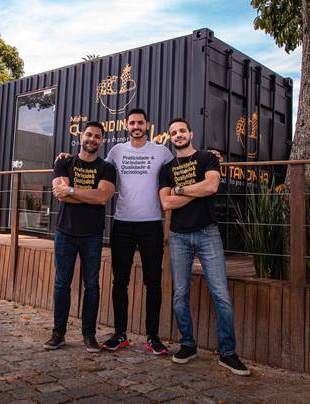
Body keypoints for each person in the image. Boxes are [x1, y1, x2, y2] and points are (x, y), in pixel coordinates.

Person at [158, 118, 250, 376]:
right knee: (180, 294)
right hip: (178, 236)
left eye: (182, 130)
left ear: (191, 133)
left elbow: (211, 186)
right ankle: (187, 345)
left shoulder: (207, 158)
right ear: (170, 138)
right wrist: (193, 192)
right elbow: (166, 204)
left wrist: (179, 190)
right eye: (173, 132)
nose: (178, 135)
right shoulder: (166, 168)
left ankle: (228, 353)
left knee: (220, 293)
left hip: (208, 233)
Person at [101, 108, 173, 355]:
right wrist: (68, 160)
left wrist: (209, 157)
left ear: (147, 125)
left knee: (153, 282)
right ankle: (120, 334)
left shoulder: (162, 152)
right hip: (122, 224)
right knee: (120, 281)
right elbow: (97, 169)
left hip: (152, 224)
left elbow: (183, 168)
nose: (136, 127)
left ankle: (153, 337)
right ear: (126, 126)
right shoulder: (116, 151)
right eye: (132, 123)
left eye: (140, 123)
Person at [43, 121, 116, 353]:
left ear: (101, 140)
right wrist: (87, 195)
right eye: (89, 134)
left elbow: (102, 197)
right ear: (81, 136)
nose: (92, 139)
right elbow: (60, 195)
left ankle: (89, 335)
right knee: (61, 283)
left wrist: (73, 190)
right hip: (65, 232)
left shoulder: (107, 168)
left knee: (91, 285)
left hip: (92, 235)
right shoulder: (63, 162)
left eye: (97, 136)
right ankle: (58, 333)